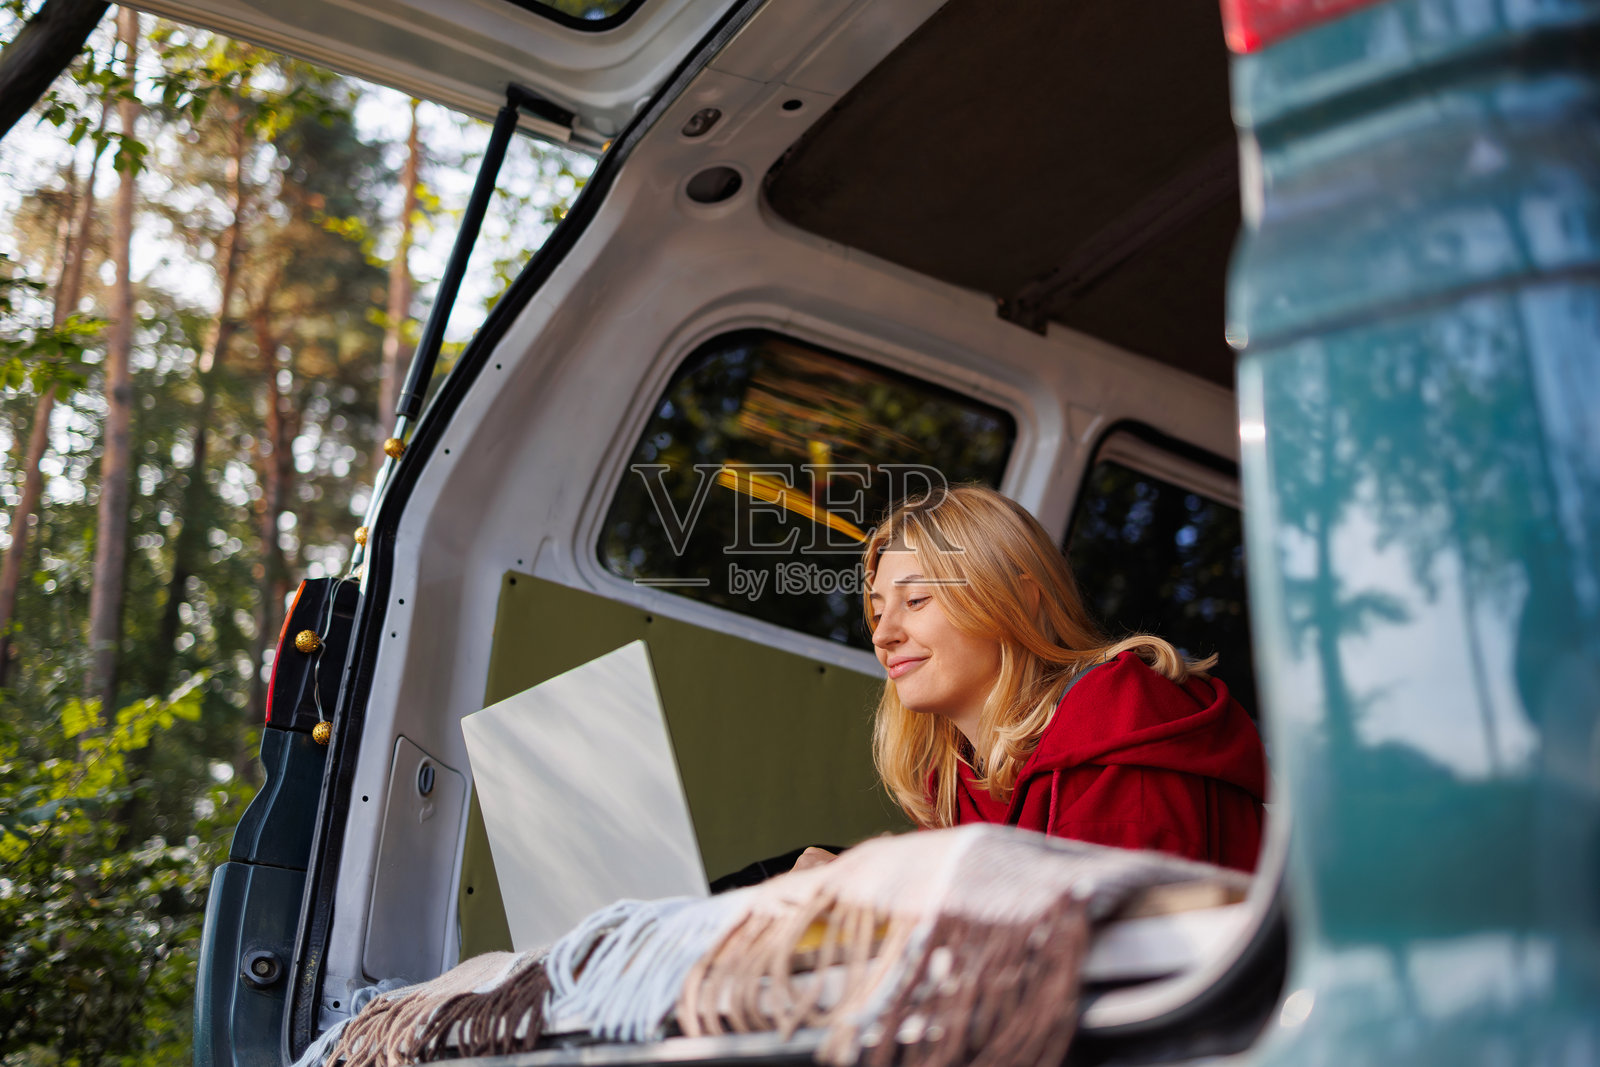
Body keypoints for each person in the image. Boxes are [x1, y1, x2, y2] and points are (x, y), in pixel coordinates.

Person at [857, 484, 1267, 872]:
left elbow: (1098, 928)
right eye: (877, 613)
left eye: (916, 600)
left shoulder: (1117, 718)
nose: (882, 634)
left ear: (1018, 600)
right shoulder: (953, 776)